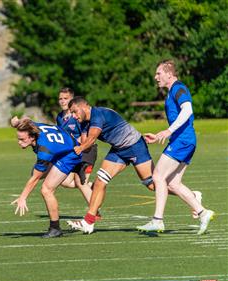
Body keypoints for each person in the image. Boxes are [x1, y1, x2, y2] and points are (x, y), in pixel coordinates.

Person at [136, 60, 215, 234]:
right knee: (173, 183)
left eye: (159, 73)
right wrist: (159, 135)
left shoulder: (178, 88)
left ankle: (157, 220)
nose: (156, 77)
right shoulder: (172, 91)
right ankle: (203, 212)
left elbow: (188, 110)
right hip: (184, 141)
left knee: (157, 176)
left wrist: (168, 131)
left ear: (169, 74)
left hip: (183, 141)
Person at [66, 96, 155, 234]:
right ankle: (88, 222)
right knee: (100, 181)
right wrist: (74, 142)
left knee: (152, 184)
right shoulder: (83, 122)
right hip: (119, 150)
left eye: (74, 111)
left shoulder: (98, 115)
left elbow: (91, 139)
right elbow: (86, 143)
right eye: (71, 113)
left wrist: (79, 149)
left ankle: (189, 195)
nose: (73, 115)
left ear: (83, 106)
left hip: (135, 145)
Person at [10, 117, 82, 238]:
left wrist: (23, 197)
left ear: (32, 137)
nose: (19, 142)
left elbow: (35, 179)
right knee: (52, 178)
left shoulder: (44, 151)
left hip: (70, 154)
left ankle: (55, 228)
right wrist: (16, 123)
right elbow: (27, 121)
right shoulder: (33, 128)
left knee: (46, 189)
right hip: (61, 149)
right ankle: (88, 185)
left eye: (22, 139)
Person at [56, 88, 98, 204]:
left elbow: (86, 137)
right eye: (60, 99)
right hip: (72, 153)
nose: (62, 101)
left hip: (86, 151)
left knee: (80, 182)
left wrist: (75, 143)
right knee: (64, 181)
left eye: (66, 98)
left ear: (72, 100)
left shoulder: (78, 117)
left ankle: (94, 212)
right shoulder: (59, 117)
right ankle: (93, 186)